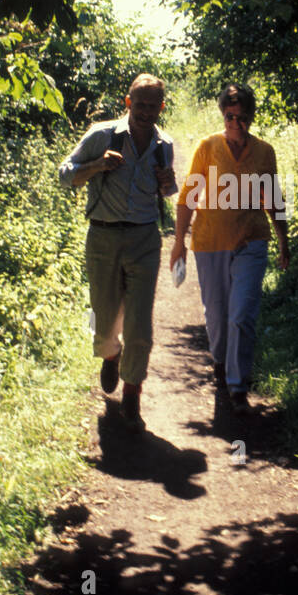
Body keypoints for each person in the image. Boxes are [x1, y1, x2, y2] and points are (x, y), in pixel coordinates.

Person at [59, 74, 177, 433]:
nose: (145, 111)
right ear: (128, 103)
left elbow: (168, 191)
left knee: (140, 322)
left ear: (161, 107)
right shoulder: (102, 134)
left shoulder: (163, 144)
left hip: (144, 239)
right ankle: (112, 354)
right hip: (103, 237)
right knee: (104, 317)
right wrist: (97, 166)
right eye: (139, 103)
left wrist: (167, 183)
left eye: (152, 104)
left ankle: (132, 394)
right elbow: (65, 175)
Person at [170, 82, 290, 414]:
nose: (235, 123)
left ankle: (238, 386)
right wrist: (179, 242)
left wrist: (283, 240)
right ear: (223, 115)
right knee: (217, 317)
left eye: (241, 117)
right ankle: (220, 365)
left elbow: (273, 199)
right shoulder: (207, 147)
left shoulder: (264, 152)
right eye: (229, 116)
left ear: (250, 117)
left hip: (251, 242)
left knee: (242, 315)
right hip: (210, 243)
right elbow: (188, 197)